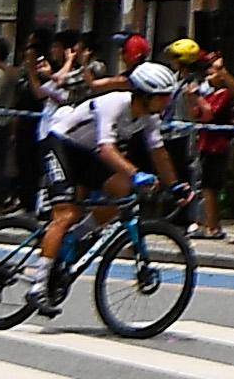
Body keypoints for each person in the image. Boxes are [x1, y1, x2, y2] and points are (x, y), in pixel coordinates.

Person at [34, 57, 180, 298]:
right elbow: (106, 149)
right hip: (60, 145)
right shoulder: (115, 103)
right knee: (66, 213)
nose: (167, 101)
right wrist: (136, 173)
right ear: (144, 95)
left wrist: (175, 186)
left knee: (123, 192)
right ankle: (38, 286)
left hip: (85, 154)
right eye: (163, 96)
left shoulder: (149, 117)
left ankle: (75, 237)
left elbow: (159, 152)